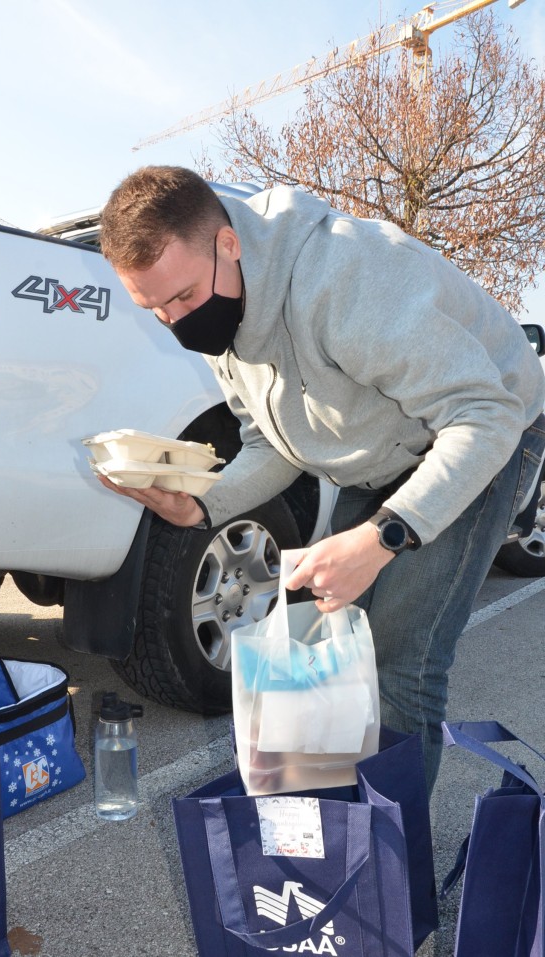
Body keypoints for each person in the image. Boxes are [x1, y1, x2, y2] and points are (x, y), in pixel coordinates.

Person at [99, 165, 545, 792]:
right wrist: (204, 506)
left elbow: (486, 415)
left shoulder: (345, 276)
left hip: (487, 431)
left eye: (184, 298)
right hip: (380, 451)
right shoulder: (224, 314)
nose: (176, 323)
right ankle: (329, 828)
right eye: (156, 310)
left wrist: (383, 538)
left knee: (400, 657)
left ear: (229, 245)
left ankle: (394, 872)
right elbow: (273, 443)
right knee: (325, 638)